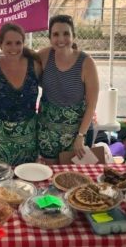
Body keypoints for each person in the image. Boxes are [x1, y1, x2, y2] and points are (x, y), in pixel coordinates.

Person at [38, 15, 99, 163]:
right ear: (50, 37)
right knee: (49, 176)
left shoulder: (86, 63)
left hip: (76, 133)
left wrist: (80, 136)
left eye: (66, 33)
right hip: (47, 132)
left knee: (74, 180)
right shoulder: (44, 56)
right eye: (56, 34)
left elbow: (91, 105)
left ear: (73, 36)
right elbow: (22, 70)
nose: (61, 39)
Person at [0, 23, 42, 166]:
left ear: (23, 43)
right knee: (3, 175)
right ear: (0, 44)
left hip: (29, 134)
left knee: (28, 173)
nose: (13, 48)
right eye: (8, 43)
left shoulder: (35, 66)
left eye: (18, 43)